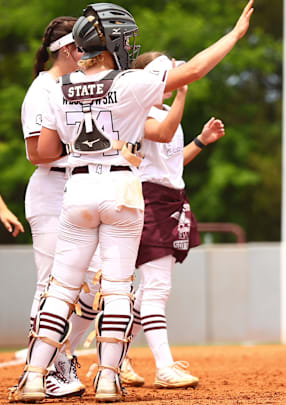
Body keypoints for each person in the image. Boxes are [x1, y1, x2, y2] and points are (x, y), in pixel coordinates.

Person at [8, 1, 254, 403]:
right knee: (119, 286)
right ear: (108, 45)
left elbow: (47, 150)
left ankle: (35, 376)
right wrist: (234, 34)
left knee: (60, 287)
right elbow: (192, 72)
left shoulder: (58, 87)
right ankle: (107, 379)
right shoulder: (130, 83)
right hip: (122, 187)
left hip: (77, 188)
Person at [117, 51, 225, 390]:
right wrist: (182, 90)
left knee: (146, 290)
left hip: (168, 199)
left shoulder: (159, 111)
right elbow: (162, 135)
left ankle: (115, 360)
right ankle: (163, 367)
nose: (174, 74)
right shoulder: (141, 109)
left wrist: (200, 142)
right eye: (165, 70)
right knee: (156, 289)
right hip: (151, 200)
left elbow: (171, 165)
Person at [20, 16, 99, 399]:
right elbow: (37, 153)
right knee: (52, 283)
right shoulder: (43, 88)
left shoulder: (80, 86)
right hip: (52, 190)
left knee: (95, 287)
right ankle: (48, 366)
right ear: (69, 50)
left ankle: (61, 351)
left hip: (81, 190)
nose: (91, 54)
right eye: (85, 46)